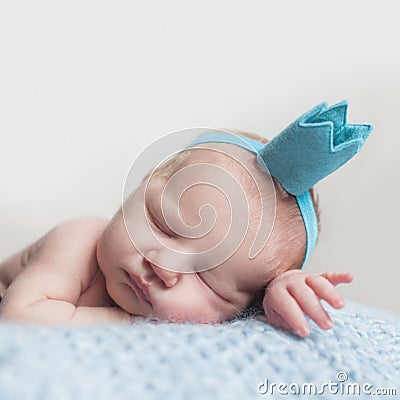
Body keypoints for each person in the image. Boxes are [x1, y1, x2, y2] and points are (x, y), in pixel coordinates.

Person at [0, 101, 371, 337]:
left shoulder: (242, 307)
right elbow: (21, 320)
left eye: (207, 281)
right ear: (143, 186)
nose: (164, 266)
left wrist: (282, 290)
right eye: (163, 225)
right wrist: (140, 326)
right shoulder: (78, 239)